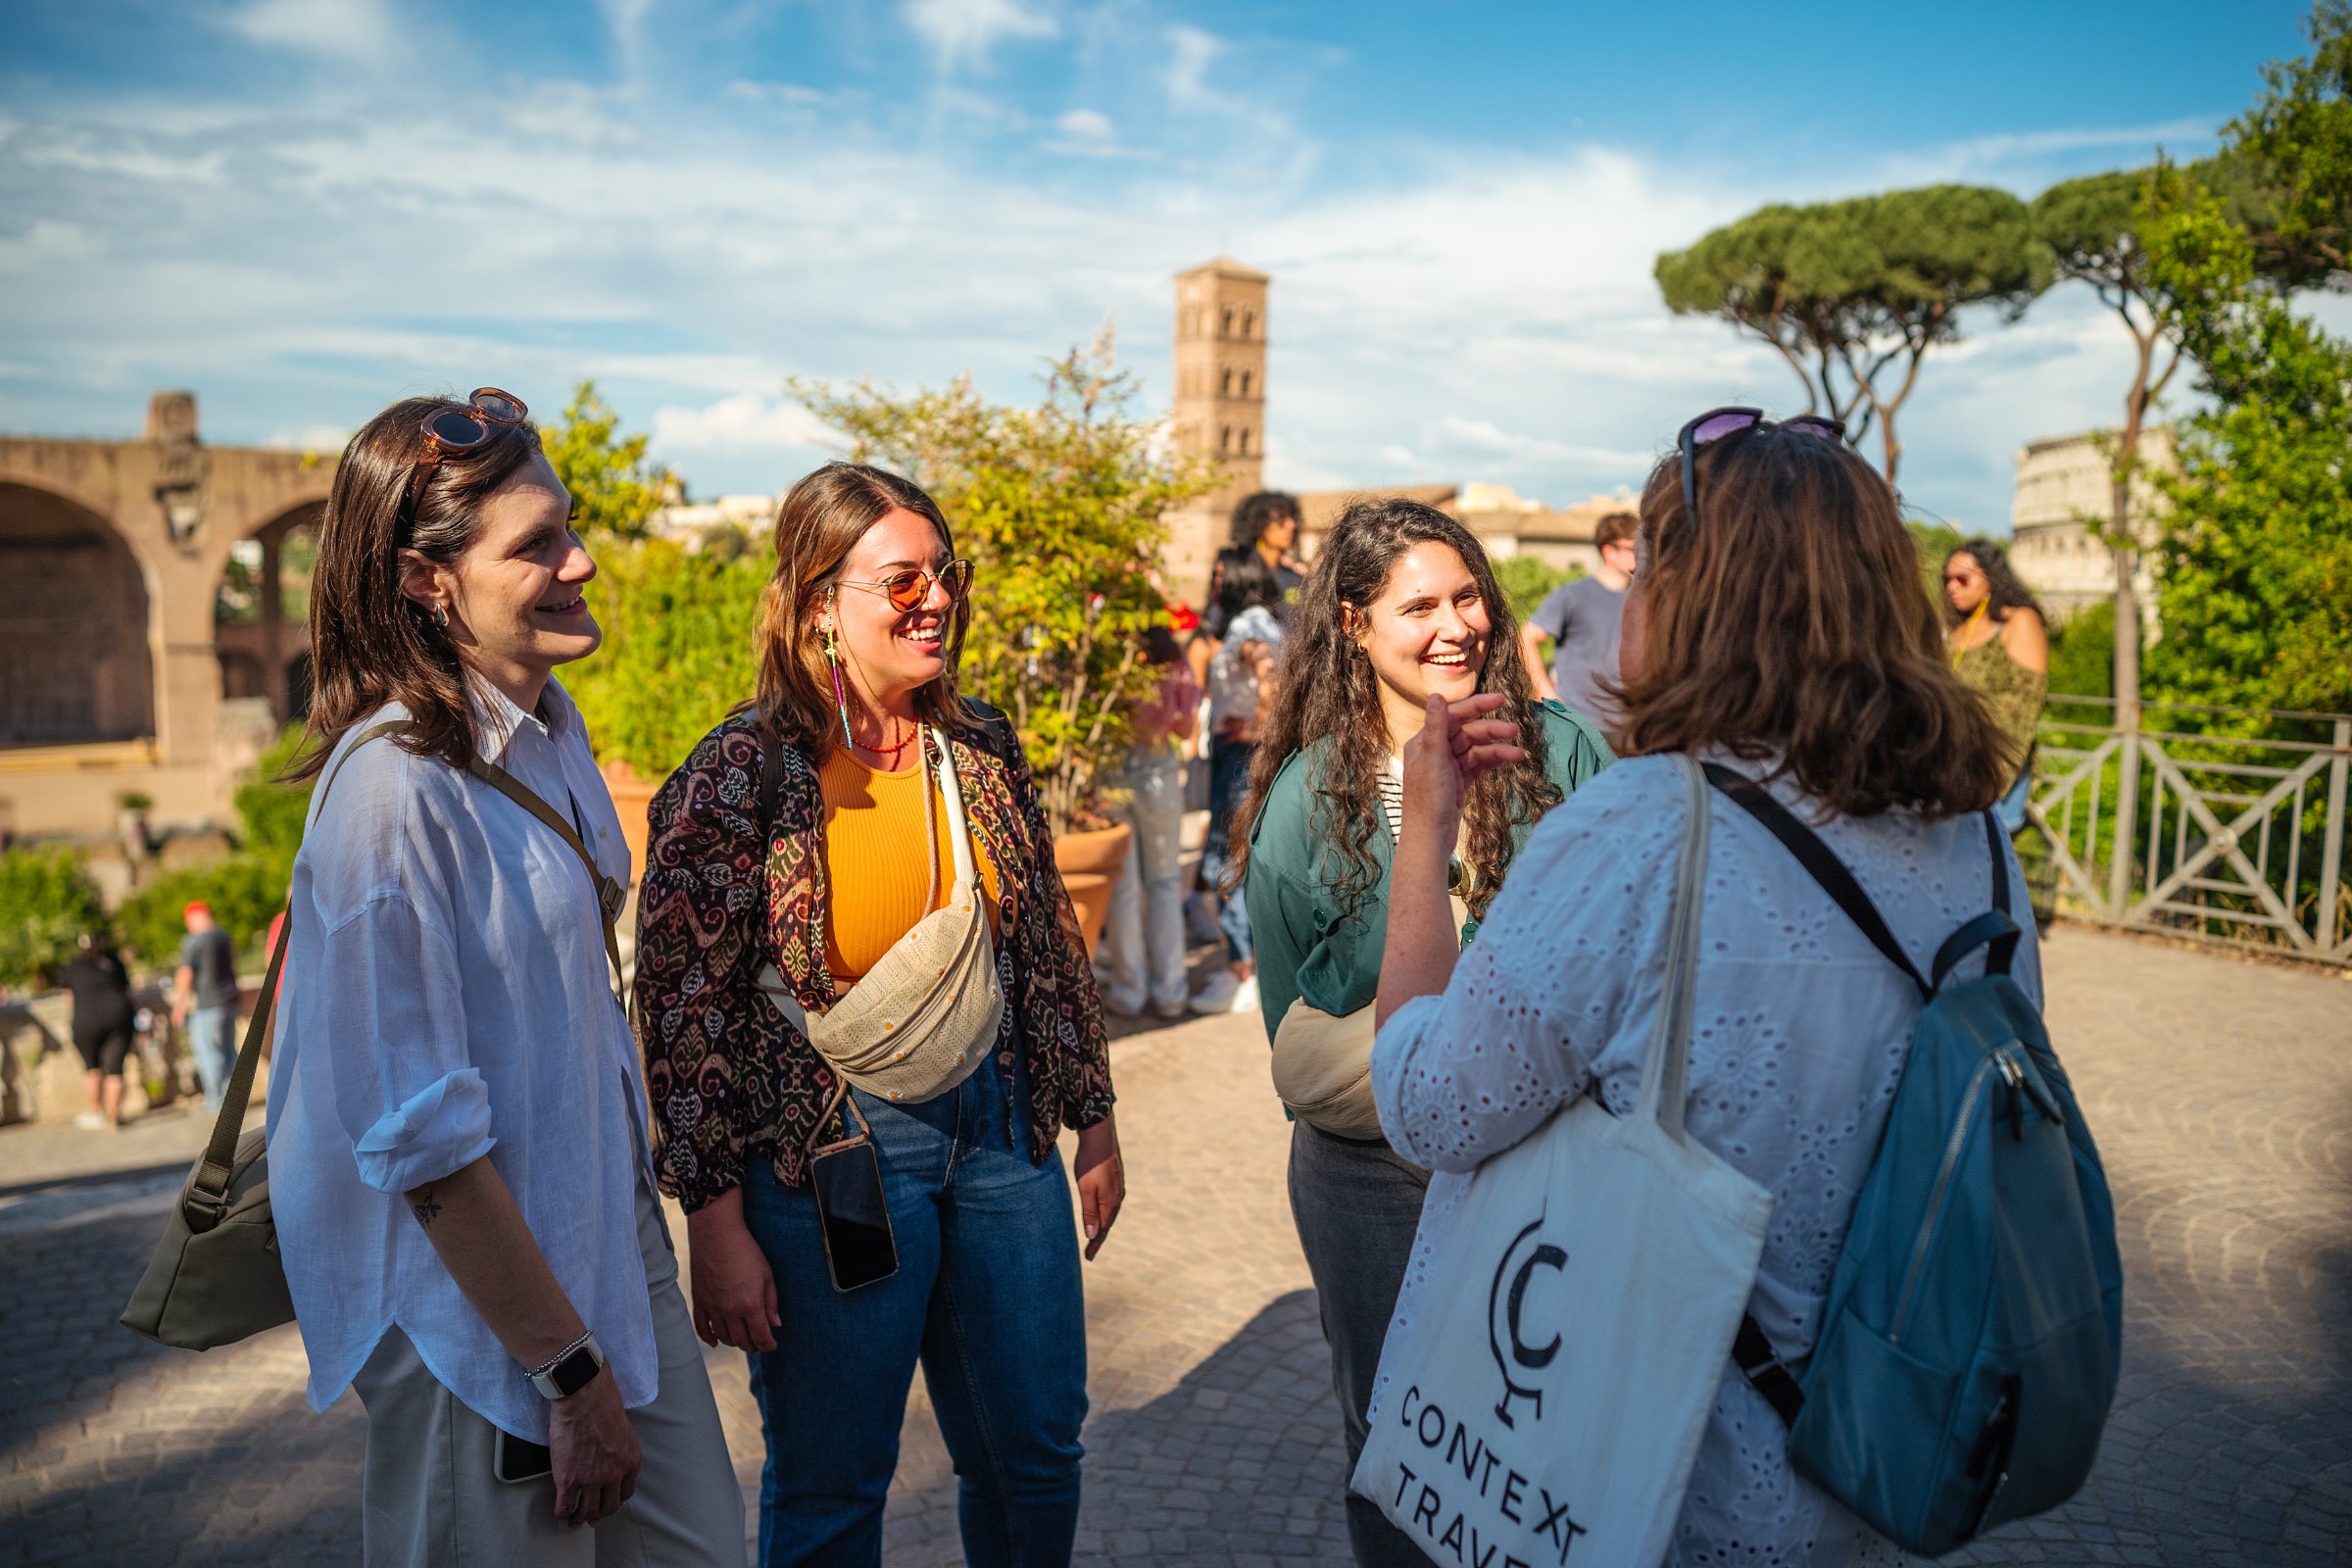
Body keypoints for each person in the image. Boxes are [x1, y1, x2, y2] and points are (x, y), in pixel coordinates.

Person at [1371, 409, 2039, 1567]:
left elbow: (1430, 1108)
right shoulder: (1979, 845)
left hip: (1634, 1482)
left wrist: (1423, 839)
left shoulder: (1645, 826)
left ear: (1690, 597)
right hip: (1852, 1474)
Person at [268, 388, 743, 1564]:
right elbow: (420, 1143)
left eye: (567, 525)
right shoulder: (390, 798)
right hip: (480, 1323)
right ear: (430, 581)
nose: (581, 558)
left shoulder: (553, 725)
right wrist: (566, 1373)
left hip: (608, 1252)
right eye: (535, 544)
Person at [633, 461, 1124, 1568]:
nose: (936, 600)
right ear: (819, 605)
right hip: (835, 1156)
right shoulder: (742, 773)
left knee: (1037, 1453)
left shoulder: (982, 746)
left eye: (945, 575)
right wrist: (715, 1226)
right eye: (902, 582)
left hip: (1003, 1137)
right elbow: (681, 1014)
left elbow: (1043, 941)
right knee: (831, 1487)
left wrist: (1093, 1119)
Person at [1230, 497, 1611, 1568]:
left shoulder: (1563, 749)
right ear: (1353, 625)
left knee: (1547, 1438)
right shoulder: (1310, 797)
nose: (1457, 625)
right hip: (1368, 1175)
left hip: (1544, 1159)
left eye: (1468, 597)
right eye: (1419, 606)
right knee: (1391, 1438)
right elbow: (1292, 1016)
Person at [1193, 549, 1289, 1013]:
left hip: (1240, 755)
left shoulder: (1248, 625)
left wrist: (1260, 730)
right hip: (1245, 751)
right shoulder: (1262, 621)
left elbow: (1269, 668)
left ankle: (1244, 971)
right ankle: (1249, 967)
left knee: (1228, 858)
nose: (1213, 581)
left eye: (1219, 573)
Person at [1099, 622, 1200, 1020]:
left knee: (1123, 887)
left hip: (1114, 768)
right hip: (1158, 763)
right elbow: (1186, 723)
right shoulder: (1172, 656)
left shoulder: (1114, 655)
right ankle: (1171, 991)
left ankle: (1130, 990)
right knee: (1163, 882)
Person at [1942, 537, 2048, 835]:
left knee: (1987, 874)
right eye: (1947, 579)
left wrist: (1986, 785)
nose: (1952, 586)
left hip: (1993, 780)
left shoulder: (2020, 621)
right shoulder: (1952, 629)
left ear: (1989, 577)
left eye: (1962, 579)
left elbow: (2022, 710)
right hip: (1948, 775)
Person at [1519, 510, 1638, 723]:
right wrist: (1549, 696)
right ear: (1609, 552)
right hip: (1582, 722)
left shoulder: (1644, 598)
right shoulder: (1572, 595)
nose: (1640, 553)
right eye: (1633, 548)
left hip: (1631, 722)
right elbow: (1526, 637)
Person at [58, 931, 134, 1130]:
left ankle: (97, 1111)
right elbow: (127, 988)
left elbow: (68, 994)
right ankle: (114, 1115)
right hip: (119, 1016)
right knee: (115, 1069)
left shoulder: (73, 966)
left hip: (86, 1020)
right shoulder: (114, 962)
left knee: (92, 1068)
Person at [1202, 491, 1304, 637]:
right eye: (1281, 519)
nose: (1291, 525)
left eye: (1293, 518)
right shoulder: (1238, 573)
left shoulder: (1297, 578)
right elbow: (1216, 623)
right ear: (1259, 523)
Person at [171, 902, 239, 1111]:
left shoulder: (195, 940)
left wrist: (179, 1005)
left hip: (208, 1004)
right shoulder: (223, 936)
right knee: (229, 1051)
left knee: (208, 1052)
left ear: (195, 917)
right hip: (229, 1000)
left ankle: (216, 1100)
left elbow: (186, 973)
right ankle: (234, 1099)